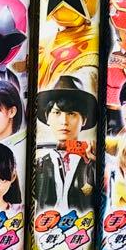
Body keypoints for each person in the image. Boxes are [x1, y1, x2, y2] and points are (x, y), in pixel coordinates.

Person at [34, 74, 98, 212]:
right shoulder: (39, 164)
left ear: (84, 119)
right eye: (57, 113)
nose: (64, 121)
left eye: (72, 114)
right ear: (47, 117)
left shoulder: (93, 161)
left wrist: (95, 165)